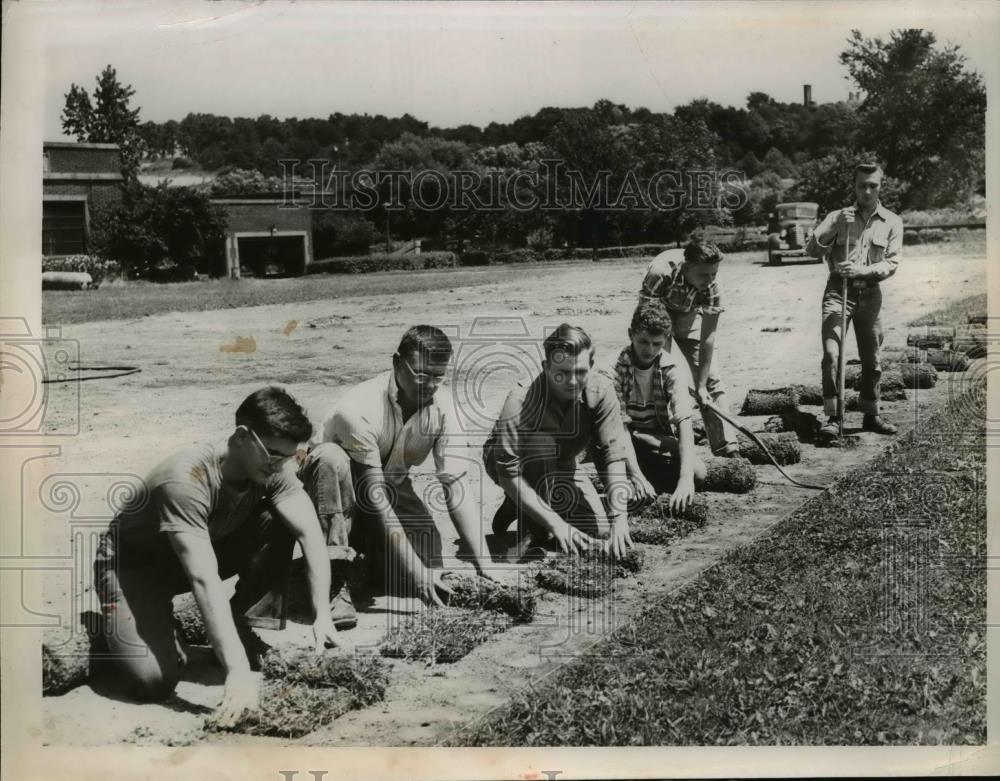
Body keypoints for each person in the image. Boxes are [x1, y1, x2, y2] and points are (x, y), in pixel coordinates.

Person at [92, 387, 348, 728]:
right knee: (153, 682)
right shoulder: (185, 478)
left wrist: (322, 616)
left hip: (198, 551)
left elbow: (310, 535)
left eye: (286, 457)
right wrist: (238, 672)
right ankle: (103, 628)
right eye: (272, 455)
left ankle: (236, 627)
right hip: (134, 566)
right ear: (242, 436)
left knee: (282, 521)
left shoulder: (273, 468)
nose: (279, 465)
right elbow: (203, 579)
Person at [321, 325, 493, 609]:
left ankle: (364, 556)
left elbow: (457, 487)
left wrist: (485, 566)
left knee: (430, 570)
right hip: (338, 493)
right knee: (330, 457)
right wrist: (415, 571)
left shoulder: (446, 407)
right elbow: (373, 497)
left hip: (392, 486)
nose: (430, 385)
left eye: (438, 376)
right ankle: (336, 580)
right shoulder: (358, 408)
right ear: (396, 363)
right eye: (421, 374)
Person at [484, 324, 633, 559]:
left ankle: (520, 504)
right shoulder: (522, 400)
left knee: (600, 531)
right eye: (562, 372)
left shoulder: (602, 390)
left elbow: (612, 455)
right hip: (513, 464)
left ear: (591, 366)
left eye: (581, 372)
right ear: (546, 367)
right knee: (541, 447)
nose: (573, 381)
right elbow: (508, 473)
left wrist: (619, 518)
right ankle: (531, 527)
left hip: (563, 459)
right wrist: (558, 526)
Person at [805, 162, 904, 438]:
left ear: (881, 186)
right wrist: (834, 226)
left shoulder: (893, 221)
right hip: (838, 292)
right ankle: (833, 417)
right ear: (855, 186)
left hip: (870, 294)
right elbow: (811, 250)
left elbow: (893, 262)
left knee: (872, 360)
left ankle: (871, 415)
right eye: (862, 185)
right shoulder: (838, 216)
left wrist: (863, 270)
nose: (868, 191)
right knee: (831, 353)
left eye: (873, 185)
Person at [639, 240, 740, 457]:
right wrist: (664, 364)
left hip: (689, 312)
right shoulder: (660, 272)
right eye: (704, 275)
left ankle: (727, 448)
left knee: (711, 378)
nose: (710, 280)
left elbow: (708, 338)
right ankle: (666, 447)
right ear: (687, 266)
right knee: (661, 377)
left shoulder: (713, 286)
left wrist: (701, 386)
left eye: (714, 273)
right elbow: (646, 321)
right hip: (658, 313)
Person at [604, 300, 706, 512]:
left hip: (650, 437)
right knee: (632, 475)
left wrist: (686, 479)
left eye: (657, 344)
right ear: (630, 334)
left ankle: (643, 475)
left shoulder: (671, 366)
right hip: (617, 437)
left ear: (666, 340)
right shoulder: (611, 369)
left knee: (698, 473)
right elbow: (618, 428)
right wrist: (637, 476)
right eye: (643, 341)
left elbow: (684, 420)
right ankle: (635, 475)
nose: (649, 350)